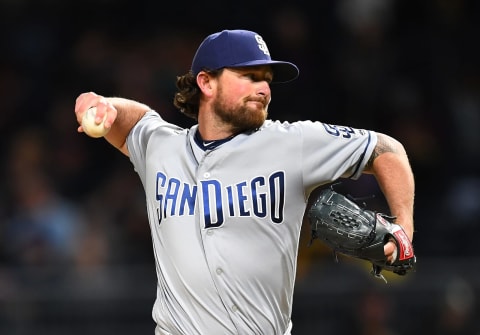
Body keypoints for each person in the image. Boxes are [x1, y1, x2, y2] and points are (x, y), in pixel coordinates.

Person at [74, 29, 415, 335]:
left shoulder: (291, 143)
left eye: (266, 78)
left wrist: (405, 228)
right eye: (250, 76)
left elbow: (387, 149)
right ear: (206, 83)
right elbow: (135, 121)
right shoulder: (163, 148)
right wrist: (103, 104)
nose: (264, 88)